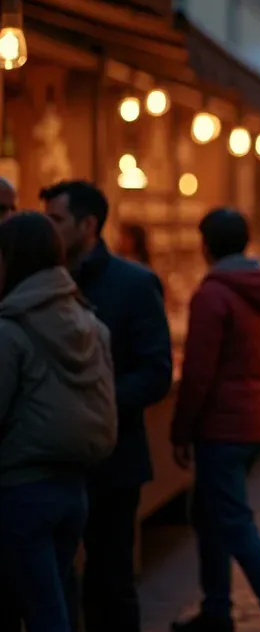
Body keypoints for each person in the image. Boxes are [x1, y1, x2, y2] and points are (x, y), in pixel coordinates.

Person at [40, 180, 173, 632]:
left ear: (88, 225)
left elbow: (156, 371)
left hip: (114, 459)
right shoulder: (38, 286)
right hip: (52, 459)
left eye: (56, 220)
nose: (48, 229)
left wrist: (95, 403)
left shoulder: (134, 284)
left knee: (112, 580)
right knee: (52, 579)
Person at [169, 209, 260, 632]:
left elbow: (198, 371)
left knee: (233, 521)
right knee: (210, 514)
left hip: (222, 423)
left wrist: (182, 428)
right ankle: (216, 608)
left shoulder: (212, 294)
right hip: (255, 414)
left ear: (206, 244)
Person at [0, 212, 116, 632]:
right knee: (53, 601)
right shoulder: (89, 322)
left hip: (18, 492)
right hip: (73, 490)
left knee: (43, 611)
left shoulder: (10, 330)